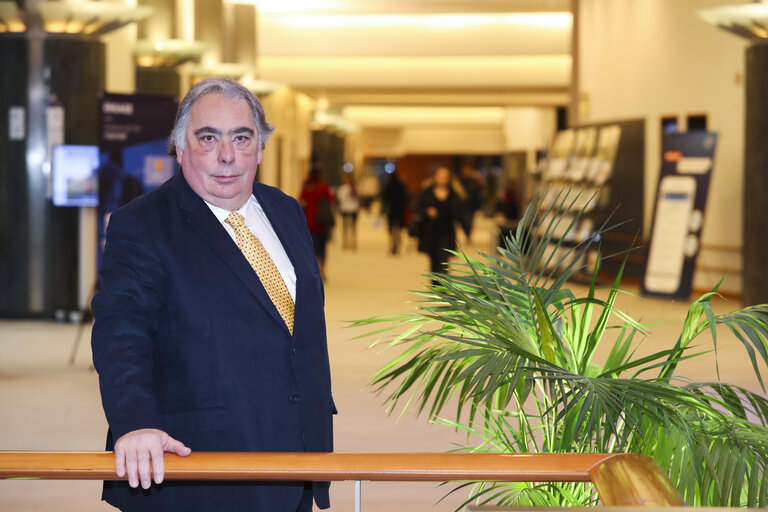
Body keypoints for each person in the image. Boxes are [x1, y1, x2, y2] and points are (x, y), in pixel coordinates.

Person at [91, 77, 335, 512]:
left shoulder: (285, 210)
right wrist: (136, 424)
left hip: (296, 457)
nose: (228, 156)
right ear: (180, 148)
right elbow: (121, 334)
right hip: (196, 472)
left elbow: (298, 333)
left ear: (260, 147)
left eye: (242, 138)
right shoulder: (142, 225)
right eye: (209, 138)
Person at [414, 167, 466, 278]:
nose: (443, 179)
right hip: (430, 232)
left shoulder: (453, 193)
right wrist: (427, 210)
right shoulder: (427, 191)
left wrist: (467, 231)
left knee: (444, 260)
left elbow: (460, 214)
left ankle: (443, 287)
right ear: (435, 177)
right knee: (433, 260)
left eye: (445, 176)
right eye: (441, 176)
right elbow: (417, 207)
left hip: (447, 232)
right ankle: (435, 286)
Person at [299, 166, 334, 278]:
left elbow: (300, 202)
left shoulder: (306, 187)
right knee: (322, 247)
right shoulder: (323, 186)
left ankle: (316, 270)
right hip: (322, 223)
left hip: (309, 223)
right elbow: (331, 199)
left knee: (312, 248)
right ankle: (323, 267)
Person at [381, 170, 408, 255]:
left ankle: (393, 244)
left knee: (392, 228)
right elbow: (405, 197)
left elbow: (385, 198)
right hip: (400, 210)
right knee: (398, 229)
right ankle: (397, 244)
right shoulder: (401, 185)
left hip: (391, 210)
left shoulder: (388, 185)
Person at [335, 173, 359, 250]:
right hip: (353, 209)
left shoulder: (342, 188)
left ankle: (345, 242)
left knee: (345, 227)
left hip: (344, 209)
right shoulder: (354, 187)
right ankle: (353, 242)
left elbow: (339, 198)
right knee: (353, 227)